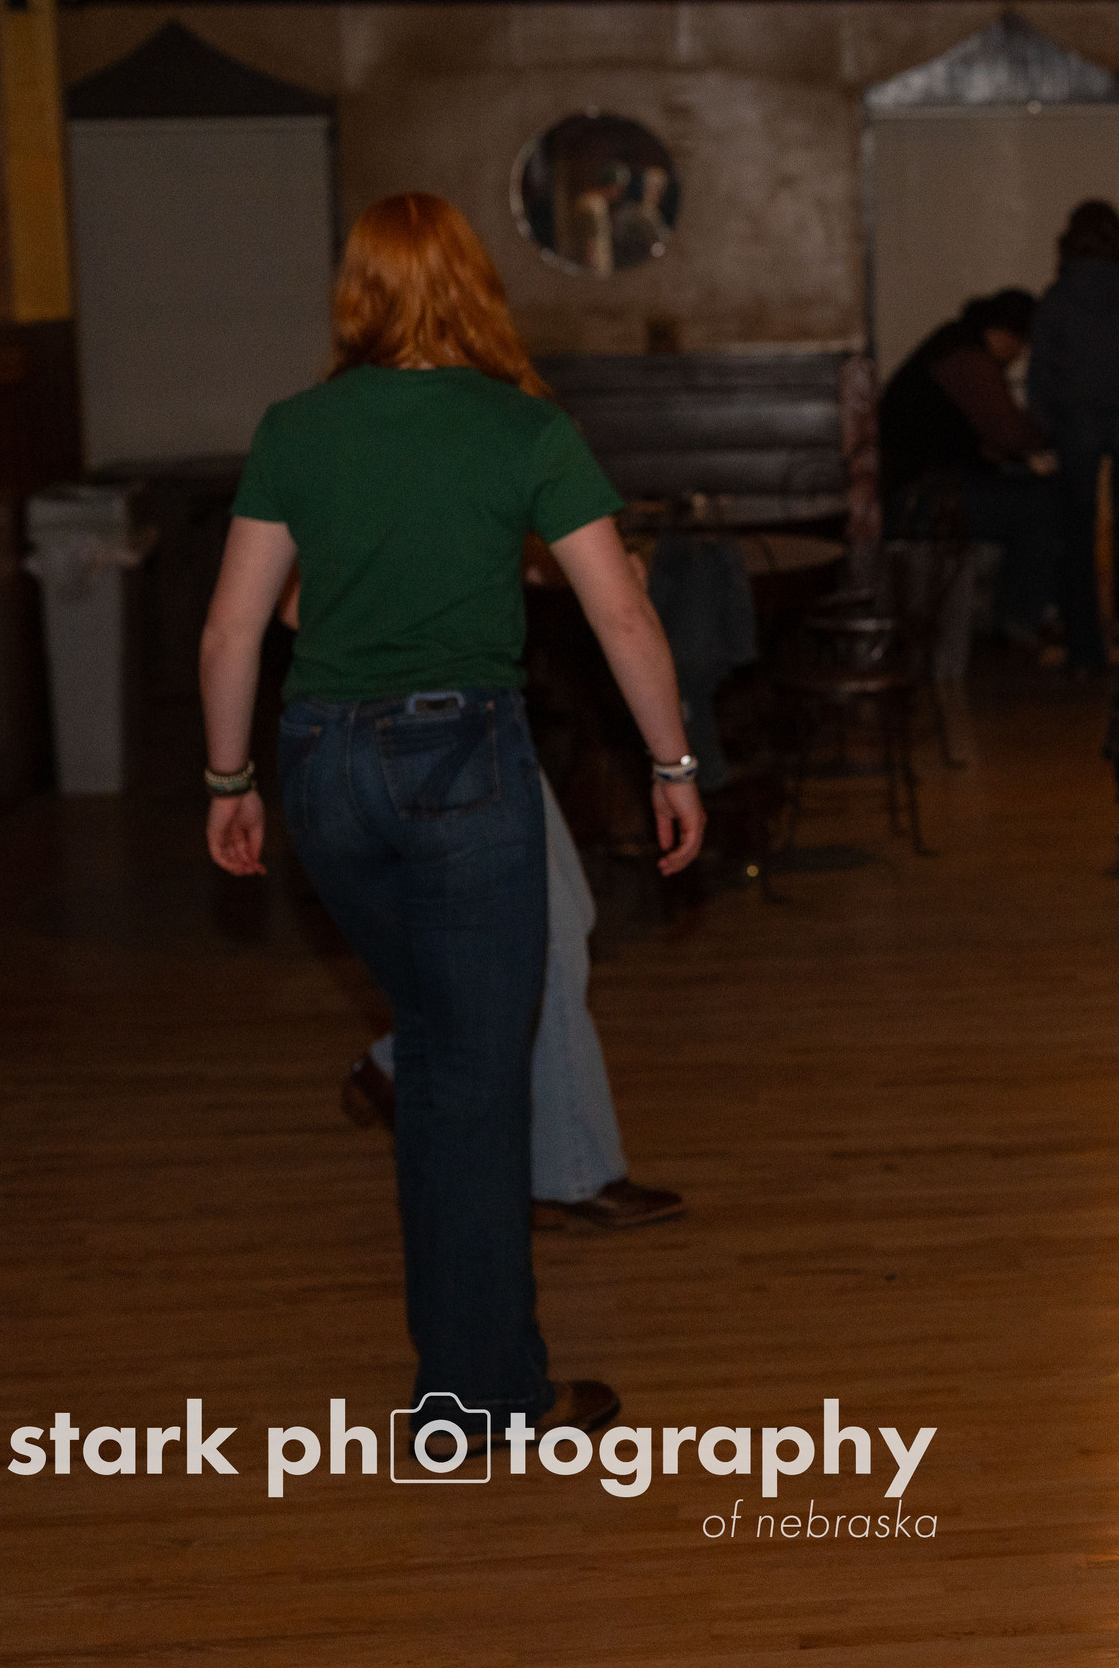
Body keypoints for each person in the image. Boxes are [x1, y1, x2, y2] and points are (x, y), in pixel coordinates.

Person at [201, 192, 707, 1453]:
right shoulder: (524, 426)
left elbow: (234, 629)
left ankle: (463, 1364)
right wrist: (672, 761)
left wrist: (227, 781)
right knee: (474, 1082)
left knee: (438, 1057)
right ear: (475, 284)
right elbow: (623, 614)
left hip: (323, 768)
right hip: (461, 762)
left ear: (358, 291)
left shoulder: (296, 428)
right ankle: (482, 1396)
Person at [338, 767, 685, 1232]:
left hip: (477, 736)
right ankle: (571, 1176)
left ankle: (398, 1065)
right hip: (453, 741)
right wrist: (674, 765)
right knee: (545, 940)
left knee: (563, 917)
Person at [1028, 201, 1119, 673]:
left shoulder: (1055, 297)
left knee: (1076, 540)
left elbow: (1040, 377)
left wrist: (1047, 430)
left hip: (1075, 429)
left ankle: (1085, 650)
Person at [880, 288, 1065, 648]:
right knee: (1041, 504)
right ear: (1006, 335)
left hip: (918, 487)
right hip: (922, 496)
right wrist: (1053, 435)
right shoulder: (967, 358)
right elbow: (1009, 432)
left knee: (1029, 493)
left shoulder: (952, 346)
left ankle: (1023, 614)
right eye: (1020, 346)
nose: (1018, 356)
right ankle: (1021, 619)